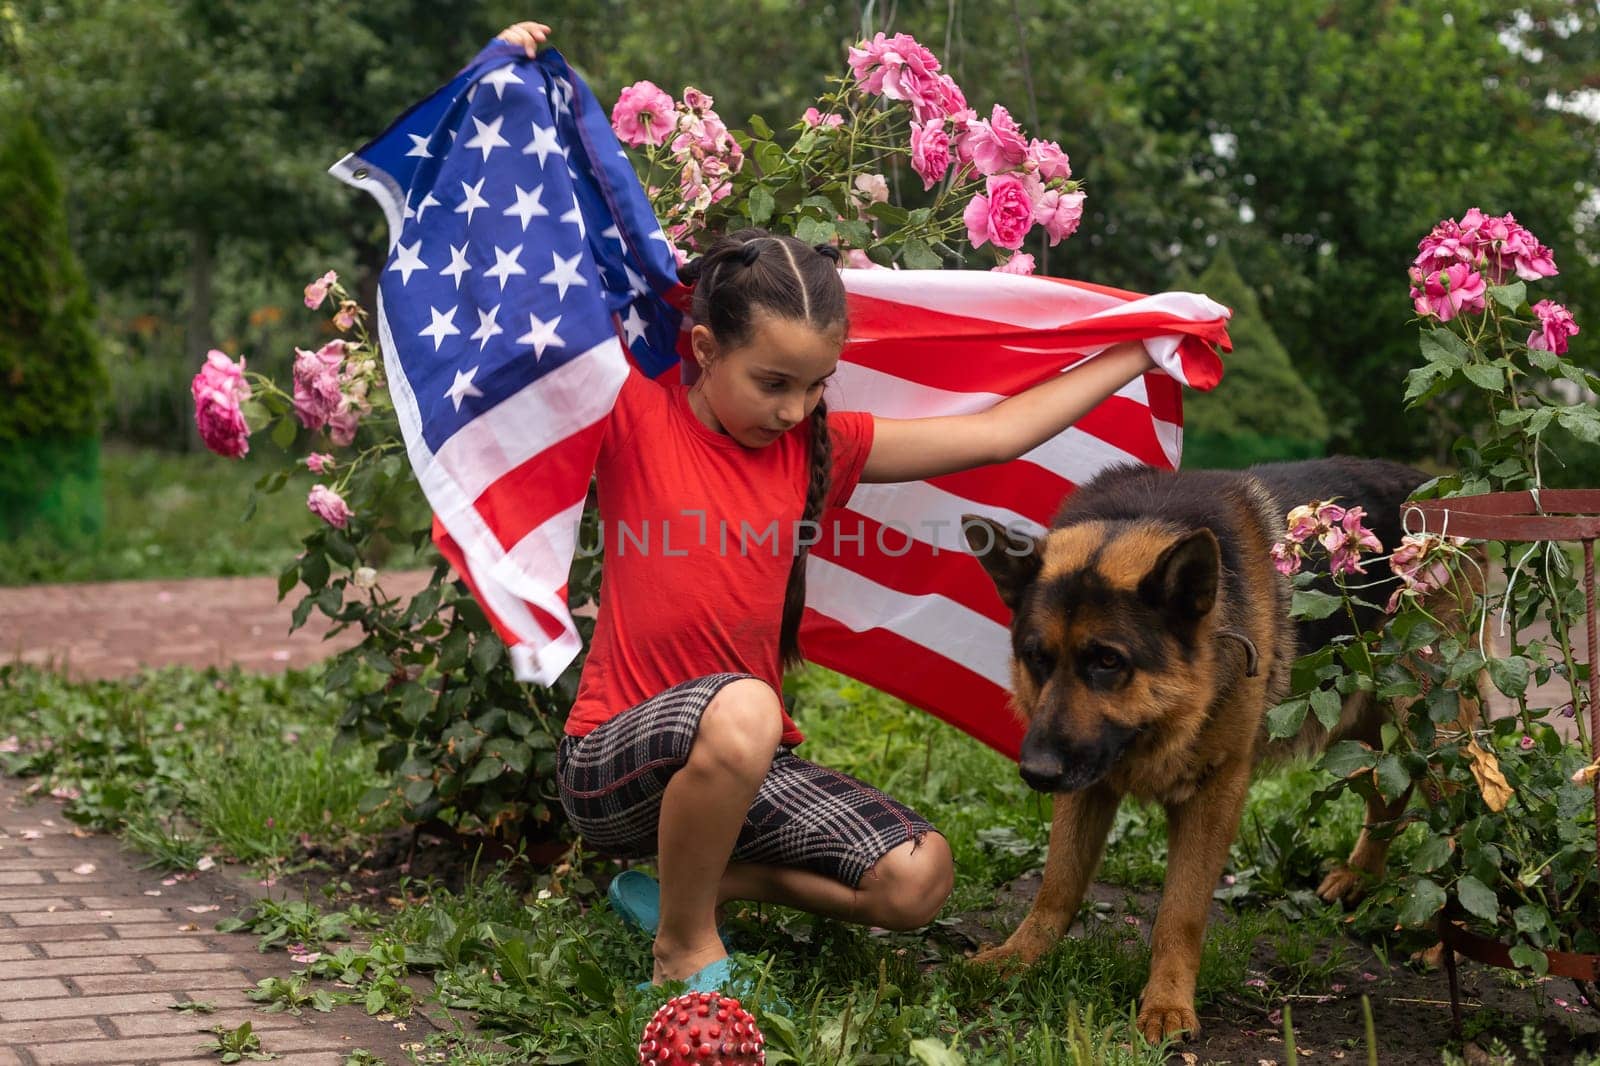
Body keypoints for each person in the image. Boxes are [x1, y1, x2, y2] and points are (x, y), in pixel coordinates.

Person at [497, 19, 1158, 992]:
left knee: (916, 878)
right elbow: (538, 272)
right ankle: (685, 946)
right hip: (616, 759)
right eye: (773, 382)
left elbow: (995, 434)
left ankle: (692, 887)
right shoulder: (634, 411)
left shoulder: (816, 449)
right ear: (705, 348)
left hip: (742, 757)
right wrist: (517, 90)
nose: (797, 408)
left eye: (816, 386)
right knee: (746, 707)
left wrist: (1142, 344)